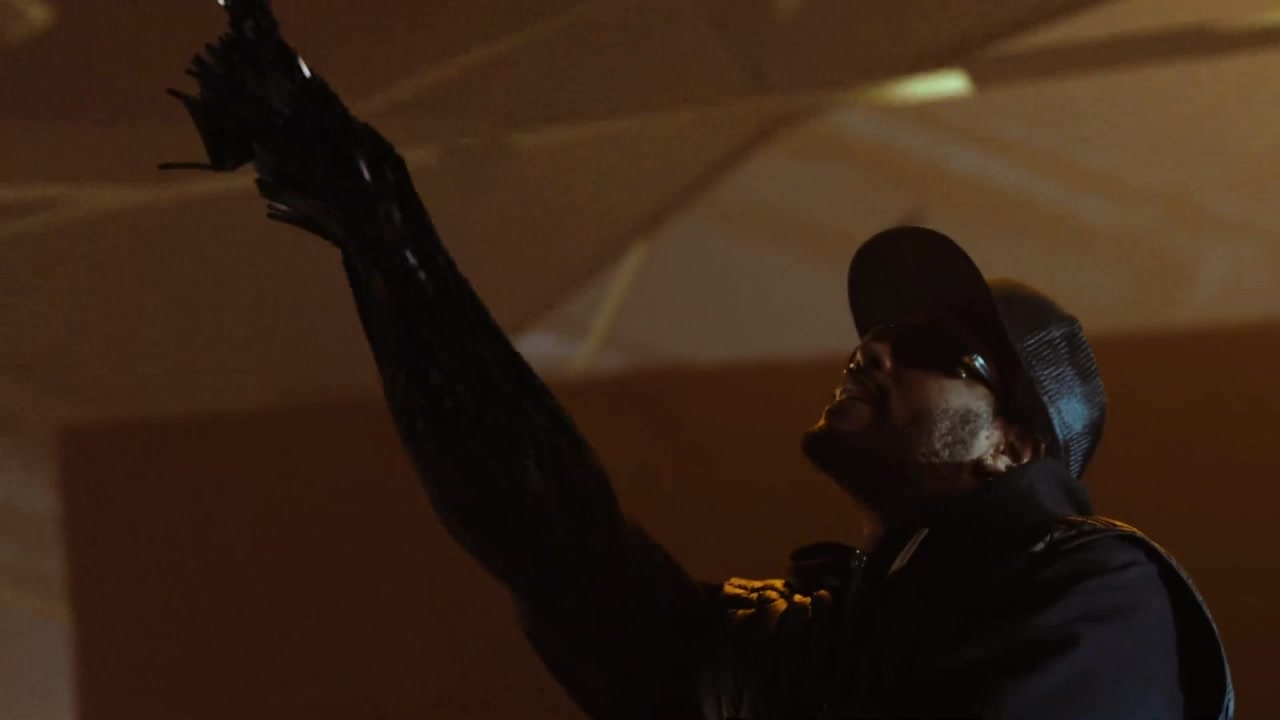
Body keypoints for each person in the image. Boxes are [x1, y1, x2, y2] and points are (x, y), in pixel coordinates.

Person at [163, 2, 1233, 718]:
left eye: (931, 349)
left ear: (1013, 445)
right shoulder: (819, 636)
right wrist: (383, 233)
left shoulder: (1097, 589)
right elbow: (553, 537)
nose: (872, 347)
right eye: (881, 331)